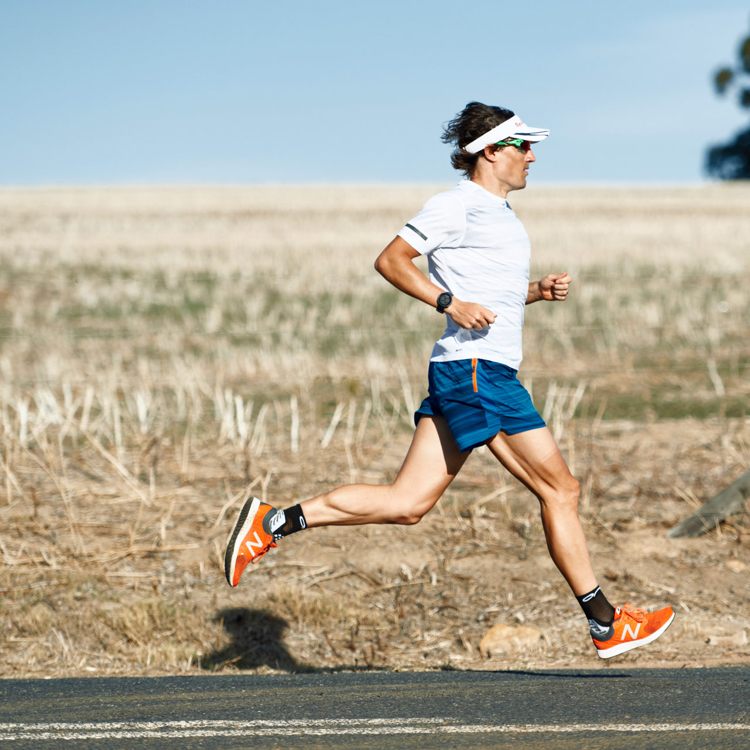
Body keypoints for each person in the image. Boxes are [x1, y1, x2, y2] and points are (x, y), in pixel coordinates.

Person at [224, 102, 675, 659]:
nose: (533, 157)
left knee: (408, 503)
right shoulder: (456, 206)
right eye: (523, 147)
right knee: (561, 489)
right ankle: (606, 622)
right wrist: (448, 302)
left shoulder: (502, 215)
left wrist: (534, 292)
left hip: (470, 371)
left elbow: (487, 289)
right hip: (477, 372)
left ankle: (274, 522)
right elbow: (391, 260)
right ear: (489, 152)